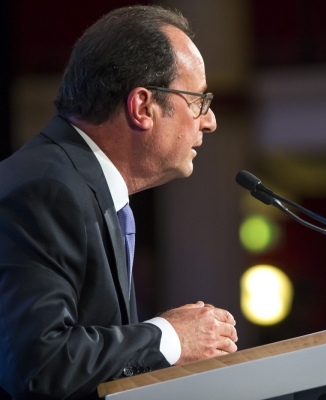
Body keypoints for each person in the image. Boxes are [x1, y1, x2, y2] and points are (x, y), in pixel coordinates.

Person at [0, 5, 238, 399]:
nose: (209, 121)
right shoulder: (46, 190)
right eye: (198, 101)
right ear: (143, 107)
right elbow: (39, 366)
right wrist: (170, 338)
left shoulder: (84, 187)